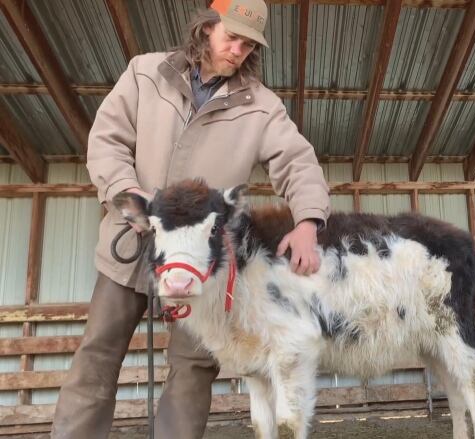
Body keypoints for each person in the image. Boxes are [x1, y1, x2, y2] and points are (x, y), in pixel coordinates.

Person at [50, 0, 330, 437]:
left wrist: (309, 222)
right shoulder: (146, 72)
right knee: (98, 355)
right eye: (230, 36)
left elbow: (298, 163)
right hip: (134, 245)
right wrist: (129, 192)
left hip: (204, 266)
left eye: (248, 44)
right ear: (206, 28)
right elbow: (106, 140)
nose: (238, 49)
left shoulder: (261, 105)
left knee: (194, 368)